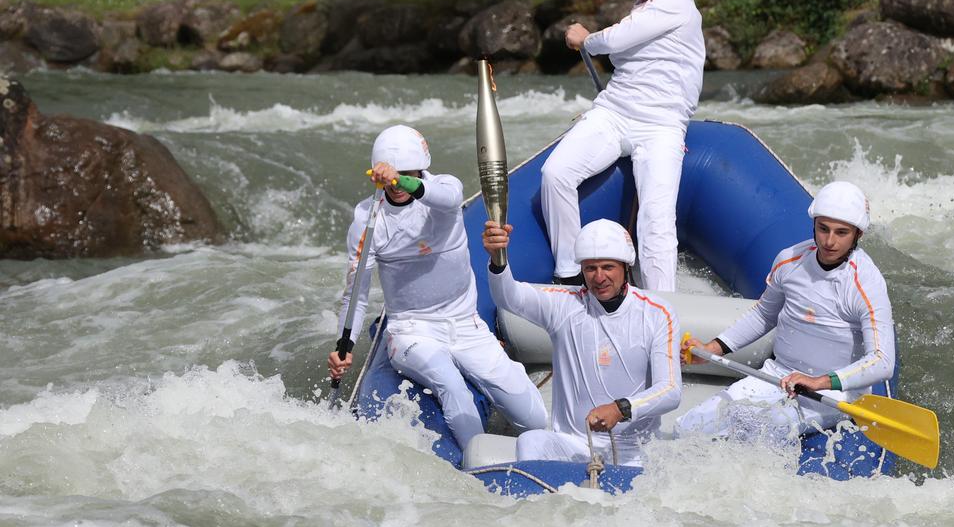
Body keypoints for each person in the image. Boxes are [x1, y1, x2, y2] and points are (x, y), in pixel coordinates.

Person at [326, 125, 547, 450]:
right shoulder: (367, 219)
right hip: (412, 331)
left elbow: (447, 198)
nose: (395, 184)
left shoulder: (444, 189)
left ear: (420, 170)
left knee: (534, 419)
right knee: (451, 386)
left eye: (406, 174)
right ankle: (479, 463)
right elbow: (356, 294)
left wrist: (399, 180)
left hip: (466, 325)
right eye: (390, 176)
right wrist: (344, 346)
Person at [542, 0, 704, 292]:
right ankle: (568, 272)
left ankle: (662, 303)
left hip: (662, 125)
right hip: (614, 112)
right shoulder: (639, 8)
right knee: (555, 174)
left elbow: (617, 39)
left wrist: (586, 39)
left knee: (656, 218)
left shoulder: (679, 0)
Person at [676, 182, 895, 444]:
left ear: (857, 234)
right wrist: (713, 347)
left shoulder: (866, 284)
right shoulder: (789, 260)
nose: (829, 241)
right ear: (814, 224)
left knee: (759, 430)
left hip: (834, 394)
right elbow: (763, 315)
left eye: (841, 232)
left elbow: (882, 361)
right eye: (823, 228)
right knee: (689, 426)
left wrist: (819, 381)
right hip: (777, 375)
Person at [482, 217, 681, 466]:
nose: (598, 277)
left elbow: (671, 391)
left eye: (608, 267)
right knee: (530, 441)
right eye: (590, 268)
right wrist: (498, 259)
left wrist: (621, 409)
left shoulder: (658, 312)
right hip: (574, 444)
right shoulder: (563, 304)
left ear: (625, 267)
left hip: (634, 451)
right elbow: (508, 297)